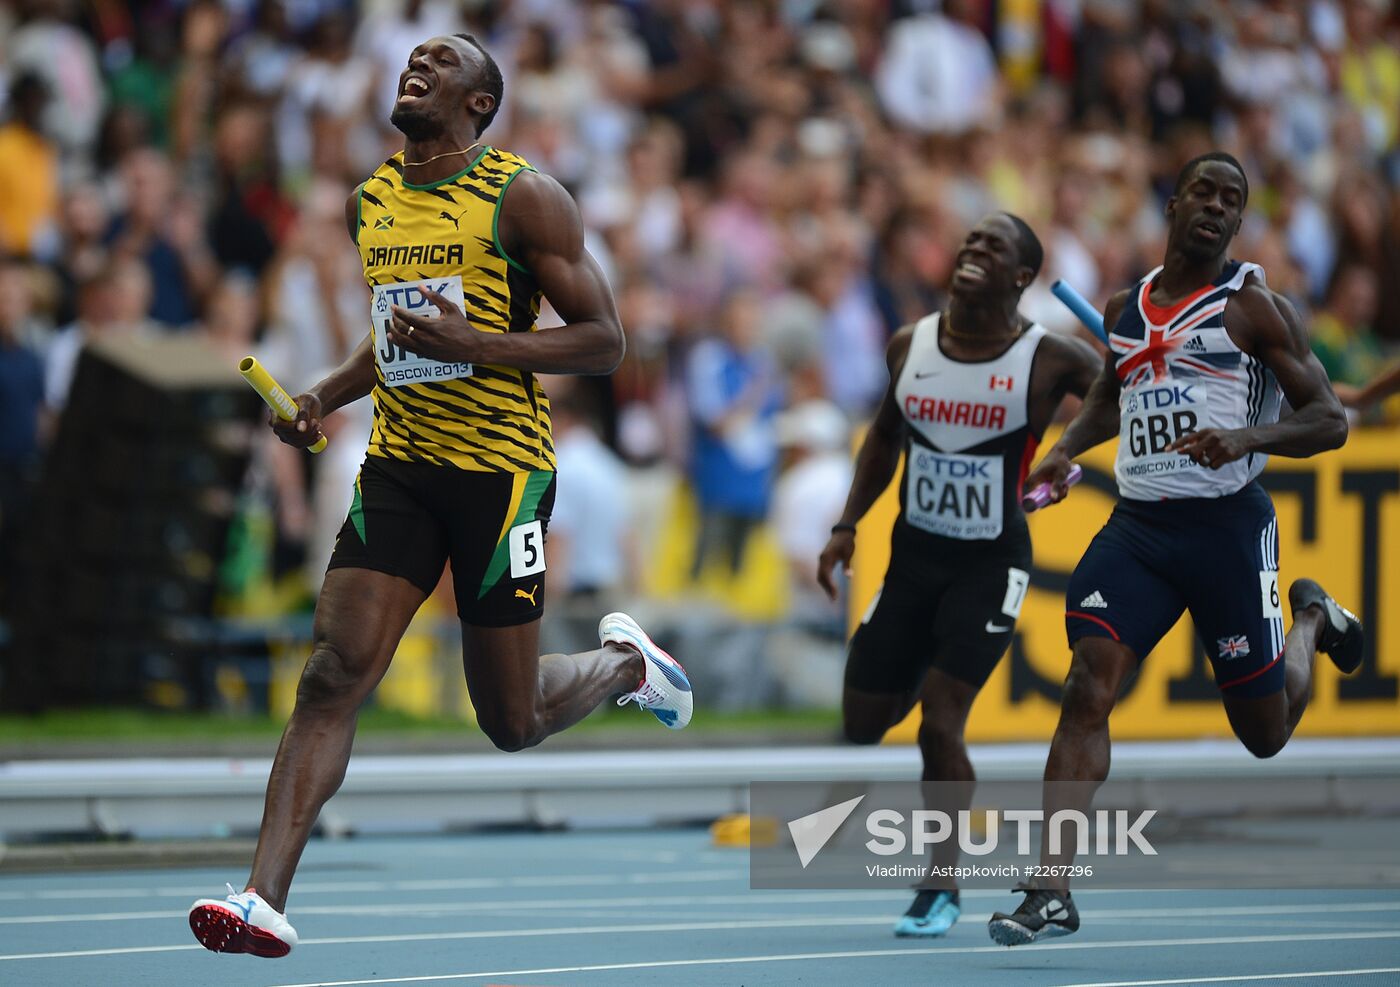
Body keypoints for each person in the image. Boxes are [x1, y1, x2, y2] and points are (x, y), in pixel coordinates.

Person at [188, 33, 692, 959]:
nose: (416, 65)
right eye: (412, 56)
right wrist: (323, 397)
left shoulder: (524, 196)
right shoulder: (370, 200)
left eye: (443, 61)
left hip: (501, 474)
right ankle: (260, 897)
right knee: (333, 673)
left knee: (511, 719)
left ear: (479, 103)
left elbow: (604, 341)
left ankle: (627, 664)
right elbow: (395, 337)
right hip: (401, 467)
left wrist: (481, 346)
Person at [988, 153, 1361, 947]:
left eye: (1232, 199)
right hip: (1142, 529)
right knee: (1088, 685)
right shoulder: (1125, 306)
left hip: (1228, 528)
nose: (1217, 207)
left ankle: (1312, 618)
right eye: (1205, 192)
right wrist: (1066, 448)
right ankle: (1050, 885)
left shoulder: (1256, 309)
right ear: (1174, 202)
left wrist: (1245, 438)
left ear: (1239, 220)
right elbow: (1111, 394)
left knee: (1264, 733)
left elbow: (1329, 420)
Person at [816, 214, 1100, 938]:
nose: (974, 249)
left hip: (989, 564)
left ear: (1021, 277)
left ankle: (939, 885)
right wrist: (847, 525)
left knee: (941, 721)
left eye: (993, 247)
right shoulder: (909, 343)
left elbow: (1123, 394)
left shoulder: (1050, 358)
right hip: (912, 559)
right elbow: (884, 437)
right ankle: (922, 660)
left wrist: (1065, 452)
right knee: (863, 722)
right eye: (971, 240)